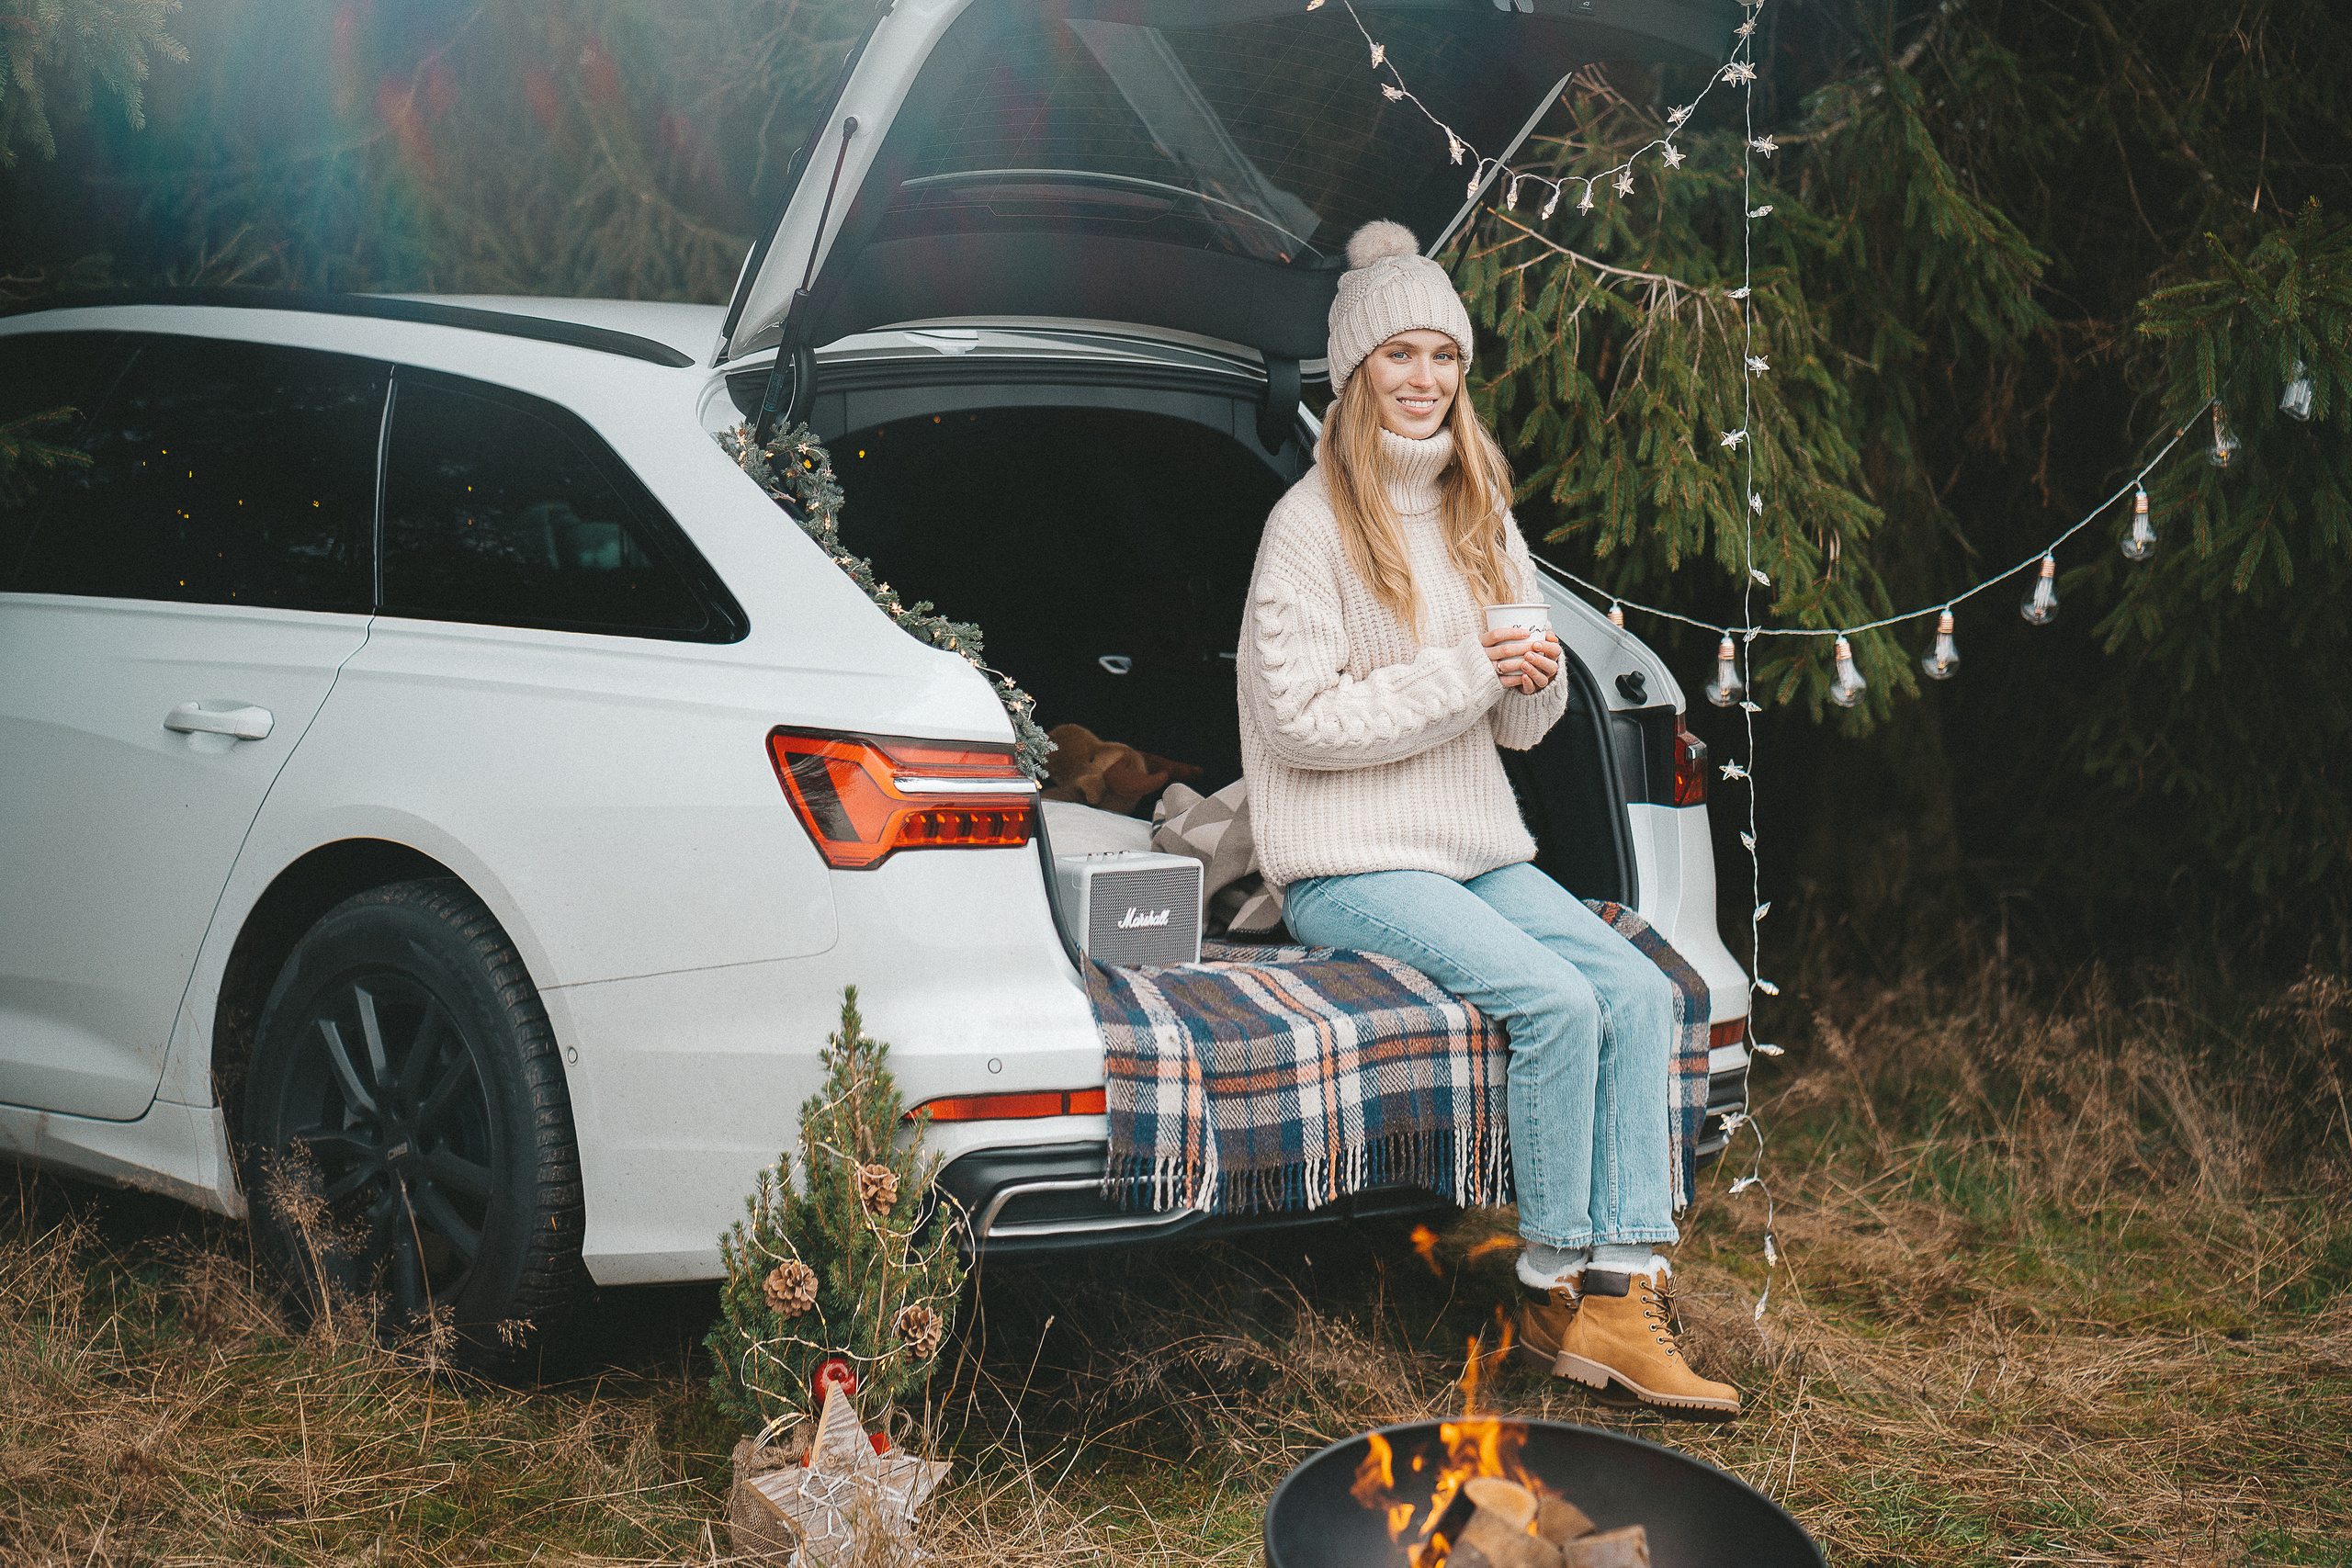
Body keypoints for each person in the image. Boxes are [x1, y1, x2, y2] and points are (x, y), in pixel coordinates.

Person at [1236, 220, 1739, 1417]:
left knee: (1635, 989)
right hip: (1347, 861)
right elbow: (1301, 721)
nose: (1423, 379)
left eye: (1443, 357)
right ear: (1358, 376)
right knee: (1558, 1002)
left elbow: (1520, 729)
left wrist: (1537, 667)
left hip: (1471, 845)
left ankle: (1627, 1281)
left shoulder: (1478, 511)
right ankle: (1557, 1283)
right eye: (1398, 355)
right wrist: (1473, 663)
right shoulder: (1307, 526)